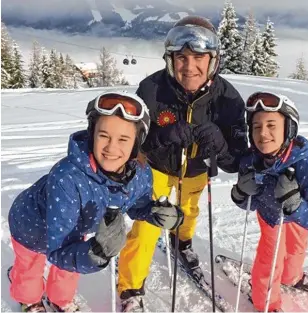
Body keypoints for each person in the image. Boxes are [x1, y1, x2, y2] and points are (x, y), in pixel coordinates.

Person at [7, 91, 184, 312]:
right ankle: (30, 300)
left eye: (123, 139)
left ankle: (60, 300)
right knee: (30, 269)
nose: (111, 147)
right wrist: (96, 254)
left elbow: (138, 204)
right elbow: (58, 249)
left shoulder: (140, 173)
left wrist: (154, 212)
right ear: (92, 135)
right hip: (30, 227)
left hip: (73, 230)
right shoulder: (67, 178)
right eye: (104, 136)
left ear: (137, 143)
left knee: (69, 271)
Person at [117, 16, 248, 311]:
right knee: (148, 225)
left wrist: (221, 144)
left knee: (189, 211)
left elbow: (236, 160)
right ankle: (130, 288)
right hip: (157, 169)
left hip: (198, 170)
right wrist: (161, 137)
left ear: (213, 60)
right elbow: (131, 145)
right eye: (181, 57)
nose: (189, 67)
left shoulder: (228, 100)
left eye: (199, 57)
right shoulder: (152, 90)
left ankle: (182, 241)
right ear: (170, 58)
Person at [231, 92, 308, 312]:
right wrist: (240, 193)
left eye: (271, 125)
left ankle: (292, 277)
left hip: (298, 217)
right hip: (270, 217)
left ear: (289, 129)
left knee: (296, 249)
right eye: (256, 127)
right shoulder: (250, 161)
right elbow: (248, 203)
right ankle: (266, 303)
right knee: (271, 258)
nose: (263, 134)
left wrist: (295, 204)